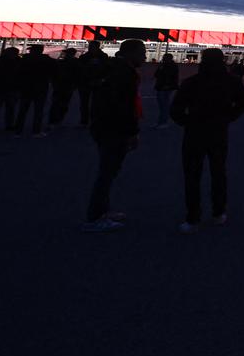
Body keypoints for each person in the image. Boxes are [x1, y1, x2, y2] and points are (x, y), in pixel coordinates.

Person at [171, 48, 244, 233]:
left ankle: (193, 217)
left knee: (192, 175)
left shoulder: (192, 82)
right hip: (218, 132)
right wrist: (228, 117)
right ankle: (219, 212)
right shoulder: (231, 82)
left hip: (194, 133)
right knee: (218, 172)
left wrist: (188, 121)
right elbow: (243, 104)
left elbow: (175, 109)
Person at [82, 39, 146, 232]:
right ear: (131, 53)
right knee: (107, 172)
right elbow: (123, 107)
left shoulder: (113, 68)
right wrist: (132, 132)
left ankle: (103, 210)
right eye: (141, 52)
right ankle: (94, 217)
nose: (144, 56)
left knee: (109, 171)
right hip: (113, 128)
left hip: (103, 125)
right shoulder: (123, 73)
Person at [15, 43, 54, 137]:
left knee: (22, 110)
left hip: (26, 87)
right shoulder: (47, 60)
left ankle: (18, 130)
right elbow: (53, 72)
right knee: (38, 110)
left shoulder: (25, 59)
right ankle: (36, 131)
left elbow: (19, 72)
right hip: (41, 87)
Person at [76, 41, 109, 128]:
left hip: (91, 82)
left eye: (91, 46)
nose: (90, 48)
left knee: (93, 104)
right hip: (92, 82)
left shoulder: (85, 57)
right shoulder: (103, 57)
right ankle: (86, 121)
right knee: (87, 103)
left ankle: (87, 121)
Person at [47, 47, 79, 129]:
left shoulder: (61, 62)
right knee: (62, 104)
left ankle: (54, 120)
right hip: (66, 86)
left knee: (57, 104)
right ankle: (57, 119)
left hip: (62, 86)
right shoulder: (75, 63)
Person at [153, 53, 179, 129]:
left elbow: (170, 77)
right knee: (163, 105)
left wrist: (167, 85)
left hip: (165, 87)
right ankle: (161, 122)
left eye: (164, 57)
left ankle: (163, 122)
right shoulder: (164, 65)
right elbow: (156, 74)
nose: (163, 59)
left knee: (164, 105)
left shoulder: (171, 66)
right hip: (162, 86)